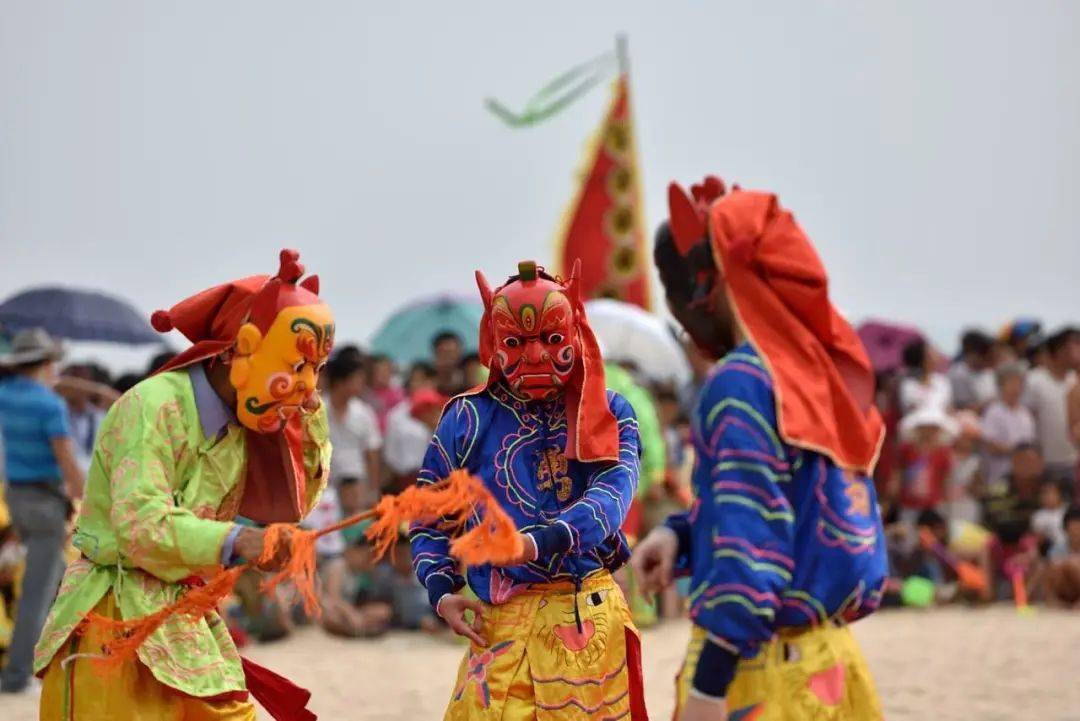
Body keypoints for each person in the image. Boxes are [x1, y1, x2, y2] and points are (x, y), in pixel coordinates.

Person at [33, 249, 334, 720]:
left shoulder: (244, 427)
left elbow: (295, 503)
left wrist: (309, 417)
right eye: (295, 368)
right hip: (113, 615)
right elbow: (141, 525)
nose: (305, 386)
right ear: (241, 349)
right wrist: (238, 539)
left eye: (314, 370)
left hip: (183, 615)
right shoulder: (152, 407)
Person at [634, 177, 887, 721]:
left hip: (761, 669)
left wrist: (708, 686)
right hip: (833, 665)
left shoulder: (741, 384)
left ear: (707, 286)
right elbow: (799, 510)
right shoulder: (818, 374)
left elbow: (754, 546)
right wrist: (680, 533)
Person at [410, 260, 646, 721]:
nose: (535, 356)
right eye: (516, 342)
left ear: (574, 334)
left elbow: (612, 499)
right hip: (500, 628)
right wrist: (440, 589)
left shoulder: (608, 413)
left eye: (551, 340)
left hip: (586, 620)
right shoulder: (467, 418)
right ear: (493, 342)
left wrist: (536, 542)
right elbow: (428, 513)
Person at [0, 329, 85, 694]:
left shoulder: (4, 397)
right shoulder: (49, 405)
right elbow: (66, 460)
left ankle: (71, 658)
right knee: (39, 590)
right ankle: (18, 676)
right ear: (47, 363)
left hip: (16, 497)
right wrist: (84, 501)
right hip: (47, 502)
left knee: (68, 584)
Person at [1025, 327, 1079, 493]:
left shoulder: (1074, 381)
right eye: (1073, 346)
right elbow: (1027, 421)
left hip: (1074, 461)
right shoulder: (1034, 381)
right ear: (1059, 351)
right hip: (1045, 464)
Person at [324, 353, 383, 505]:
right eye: (357, 380)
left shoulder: (363, 412)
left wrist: (374, 491)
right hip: (325, 488)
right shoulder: (317, 411)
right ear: (340, 382)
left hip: (357, 487)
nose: (361, 385)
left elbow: (372, 453)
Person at [981, 363, 1036, 485]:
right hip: (1000, 477)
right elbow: (990, 446)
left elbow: (1030, 444)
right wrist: (1016, 450)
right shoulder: (993, 412)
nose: (1016, 388)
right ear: (1001, 385)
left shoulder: (1025, 413)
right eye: (1011, 383)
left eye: (1019, 383)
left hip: (1024, 479)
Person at [899, 338, 952, 414]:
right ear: (923, 359)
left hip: (941, 421)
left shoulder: (942, 381)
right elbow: (912, 408)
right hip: (916, 421)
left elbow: (947, 407)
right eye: (931, 354)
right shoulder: (908, 384)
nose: (936, 355)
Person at [948, 330, 996, 411]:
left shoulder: (988, 373)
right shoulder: (958, 375)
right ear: (973, 354)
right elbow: (962, 409)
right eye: (985, 355)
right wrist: (989, 404)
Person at [365, 353, 406, 433]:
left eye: (386, 370)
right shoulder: (366, 395)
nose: (383, 374)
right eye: (379, 371)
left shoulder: (399, 394)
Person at [431, 331, 465, 395]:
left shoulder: (469, 381)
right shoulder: (426, 384)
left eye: (452, 352)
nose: (449, 358)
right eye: (445, 353)